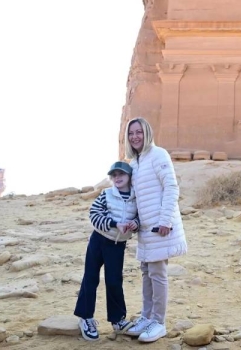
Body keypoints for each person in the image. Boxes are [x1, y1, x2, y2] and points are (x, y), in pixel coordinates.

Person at [123, 117, 188, 343]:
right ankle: (147, 317)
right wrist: (134, 222)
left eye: (139, 132)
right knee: (146, 272)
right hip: (145, 228)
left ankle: (158, 323)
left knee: (158, 274)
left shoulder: (159, 154)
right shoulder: (134, 163)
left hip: (161, 227)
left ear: (147, 133)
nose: (135, 137)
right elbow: (136, 198)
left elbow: (171, 187)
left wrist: (165, 220)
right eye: (131, 133)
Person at [74, 161, 140, 341]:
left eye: (122, 175)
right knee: (90, 277)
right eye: (114, 175)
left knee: (114, 281)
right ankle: (85, 317)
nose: (117, 178)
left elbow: (139, 218)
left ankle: (118, 320)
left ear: (129, 177)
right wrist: (114, 223)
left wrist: (135, 224)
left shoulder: (136, 198)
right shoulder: (106, 194)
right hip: (98, 241)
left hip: (117, 246)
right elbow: (94, 215)